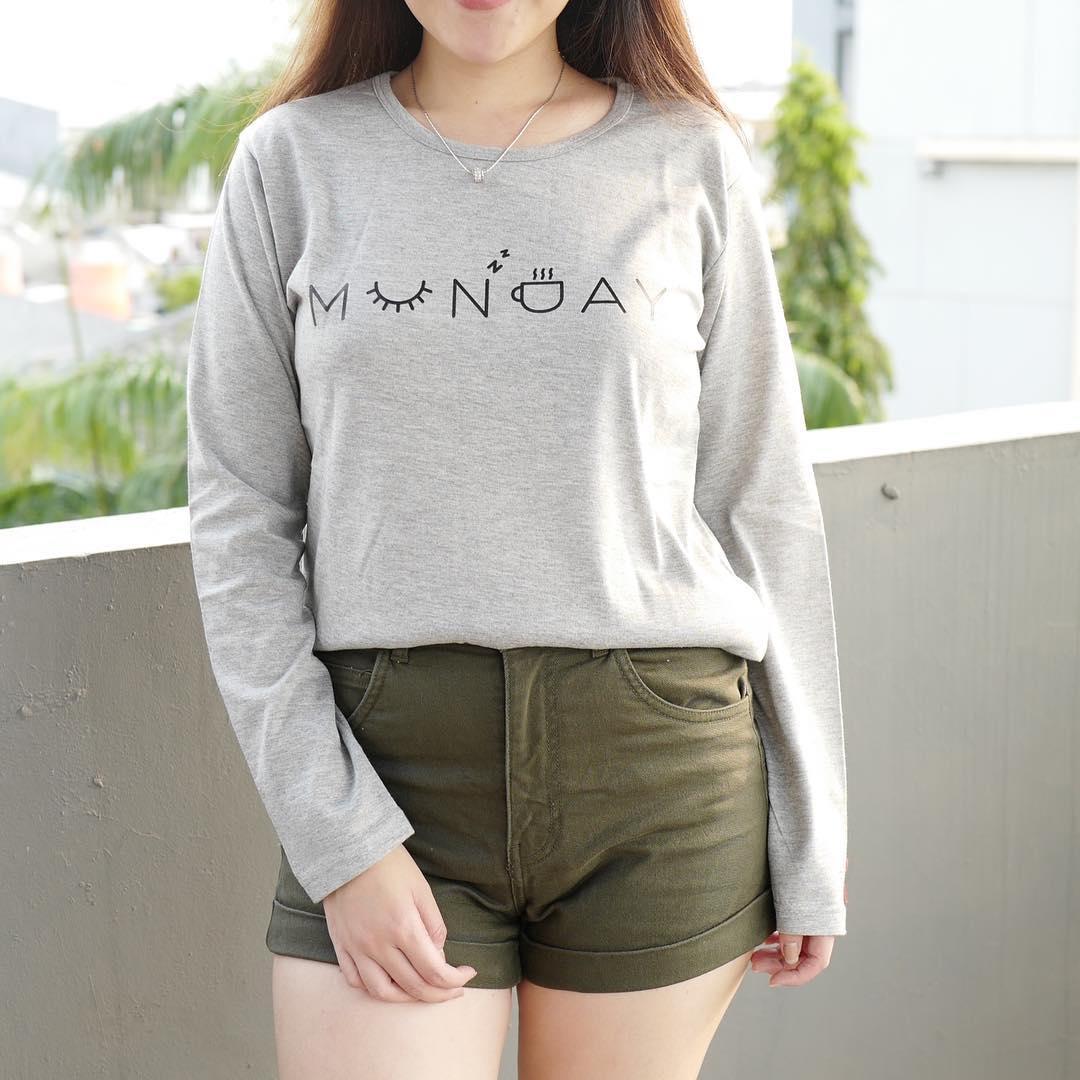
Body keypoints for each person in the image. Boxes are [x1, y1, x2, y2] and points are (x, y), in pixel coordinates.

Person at [185, 0, 849, 1076]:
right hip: (386, 769)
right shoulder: (291, 161)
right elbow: (239, 518)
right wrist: (338, 838)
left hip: (661, 775)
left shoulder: (689, 156)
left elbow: (759, 501)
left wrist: (812, 833)